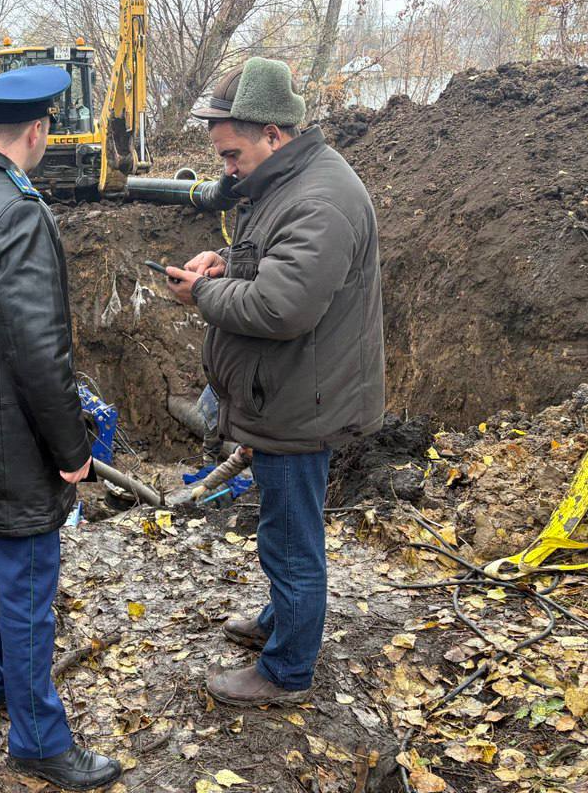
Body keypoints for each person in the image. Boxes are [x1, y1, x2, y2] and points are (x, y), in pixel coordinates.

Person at [160, 57, 385, 705]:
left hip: (301, 401)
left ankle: (287, 672)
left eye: (232, 153)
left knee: (291, 540)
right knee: (283, 529)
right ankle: (279, 622)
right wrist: (223, 260)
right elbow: (275, 265)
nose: (226, 168)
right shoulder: (287, 182)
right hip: (284, 393)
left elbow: (279, 308)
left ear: (273, 135)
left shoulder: (319, 198)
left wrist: (203, 294)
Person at [0, 66, 123, 791]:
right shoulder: (17, 213)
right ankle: (39, 738)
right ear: (37, 132)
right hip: (13, 438)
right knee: (28, 583)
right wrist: (72, 451)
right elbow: (41, 351)